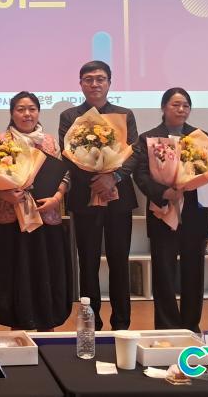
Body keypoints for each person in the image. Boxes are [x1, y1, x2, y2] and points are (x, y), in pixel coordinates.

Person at [58, 60, 138, 331]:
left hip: (119, 199)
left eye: (100, 79)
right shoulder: (70, 117)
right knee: (88, 262)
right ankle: (91, 323)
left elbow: (134, 153)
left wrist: (113, 177)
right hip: (84, 197)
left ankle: (121, 323)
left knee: (119, 260)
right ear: (80, 84)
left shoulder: (124, 115)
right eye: (89, 79)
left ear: (109, 83)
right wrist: (95, 180)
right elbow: (68, 155)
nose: (95, 84)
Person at [0, 92, 72, 330]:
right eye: (21, 109)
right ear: (12, 113)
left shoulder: (50, 142)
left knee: (44, 270)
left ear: (39, 112)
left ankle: (46, 320)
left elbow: (65, 174)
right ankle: (17, 322)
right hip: (10, 219)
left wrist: (57, 197)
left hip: (45, 217)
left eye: (32, 109)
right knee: (14, 271)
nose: (27, 114)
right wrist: (4, 194)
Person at [132, 88, 208, 332]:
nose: (181, 109)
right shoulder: (148, 138)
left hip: (194, 214)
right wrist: (164, 192)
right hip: (162, 211)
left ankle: (191, 325)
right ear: (164, 107)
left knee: (193, 272)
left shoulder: (201, 137)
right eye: (175, 104)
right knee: (163, 272)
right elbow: (140, 174)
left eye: (185, 105)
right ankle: (167, 325)